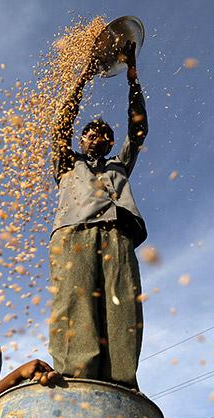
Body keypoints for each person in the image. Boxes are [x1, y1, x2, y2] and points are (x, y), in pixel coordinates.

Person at [49, 40, 148, 390]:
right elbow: (61, 125)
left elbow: (138, 131)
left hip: (117, 235)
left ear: (109, 143)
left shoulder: (119, 165)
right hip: (73, 233)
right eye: (90, 133)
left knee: (122, 310)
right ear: (82, 139)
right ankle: (77, 381)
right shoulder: (66, 163)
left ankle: (121, 384)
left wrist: (132, 78)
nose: (96, 137)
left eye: (103, 135)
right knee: (75, 305)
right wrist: (82, 78)